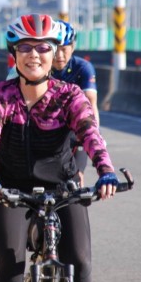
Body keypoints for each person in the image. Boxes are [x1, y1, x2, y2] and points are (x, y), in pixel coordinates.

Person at [0, 14, 119, 282]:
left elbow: (91, 134)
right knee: (10, 269)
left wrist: (106, 170)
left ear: (54, 53)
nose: (34, 55)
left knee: (80, 264)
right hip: (9, 190)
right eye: (25, 47)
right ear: (13, 53)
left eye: (43, 48)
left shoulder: (69, 96)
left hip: (63, 189)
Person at [52, 21, 99, 179]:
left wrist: (95, 139)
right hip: (46, 129)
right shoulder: (39, 67)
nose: (59, 56)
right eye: (55, 50)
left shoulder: (83, 68)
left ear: (72, 47)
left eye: (64, 50)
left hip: (74, 129)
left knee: (77, 178)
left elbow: (91, 106)